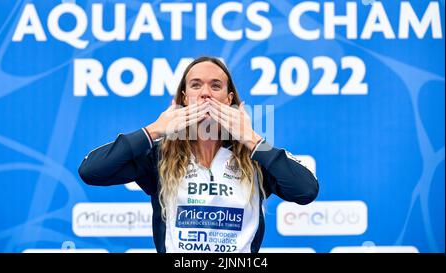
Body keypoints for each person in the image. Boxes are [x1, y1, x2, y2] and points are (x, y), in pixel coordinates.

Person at [78, 56, 319, 253]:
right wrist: (154, 130)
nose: (206, 93)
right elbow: (91, 171)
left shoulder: (256, 156)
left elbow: (306, 190)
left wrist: (252, 138)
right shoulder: (160, 155)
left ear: (229, 99)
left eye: (216, 86)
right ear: (183, 98)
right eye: (195, 85)